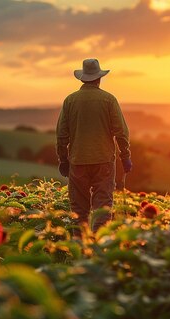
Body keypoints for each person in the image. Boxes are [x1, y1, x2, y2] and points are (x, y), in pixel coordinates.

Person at [56, 58, 132, 237]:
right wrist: (125, 156)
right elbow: (121, 132)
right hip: (104, 161)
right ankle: (99, 247)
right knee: (103, 208)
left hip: (78, 161)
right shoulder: (109, 100)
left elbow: (61, 135)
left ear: (82, 78)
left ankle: (79, 250)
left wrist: (63, 159)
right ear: (99, 78)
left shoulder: (70, 101)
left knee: (79, 211)